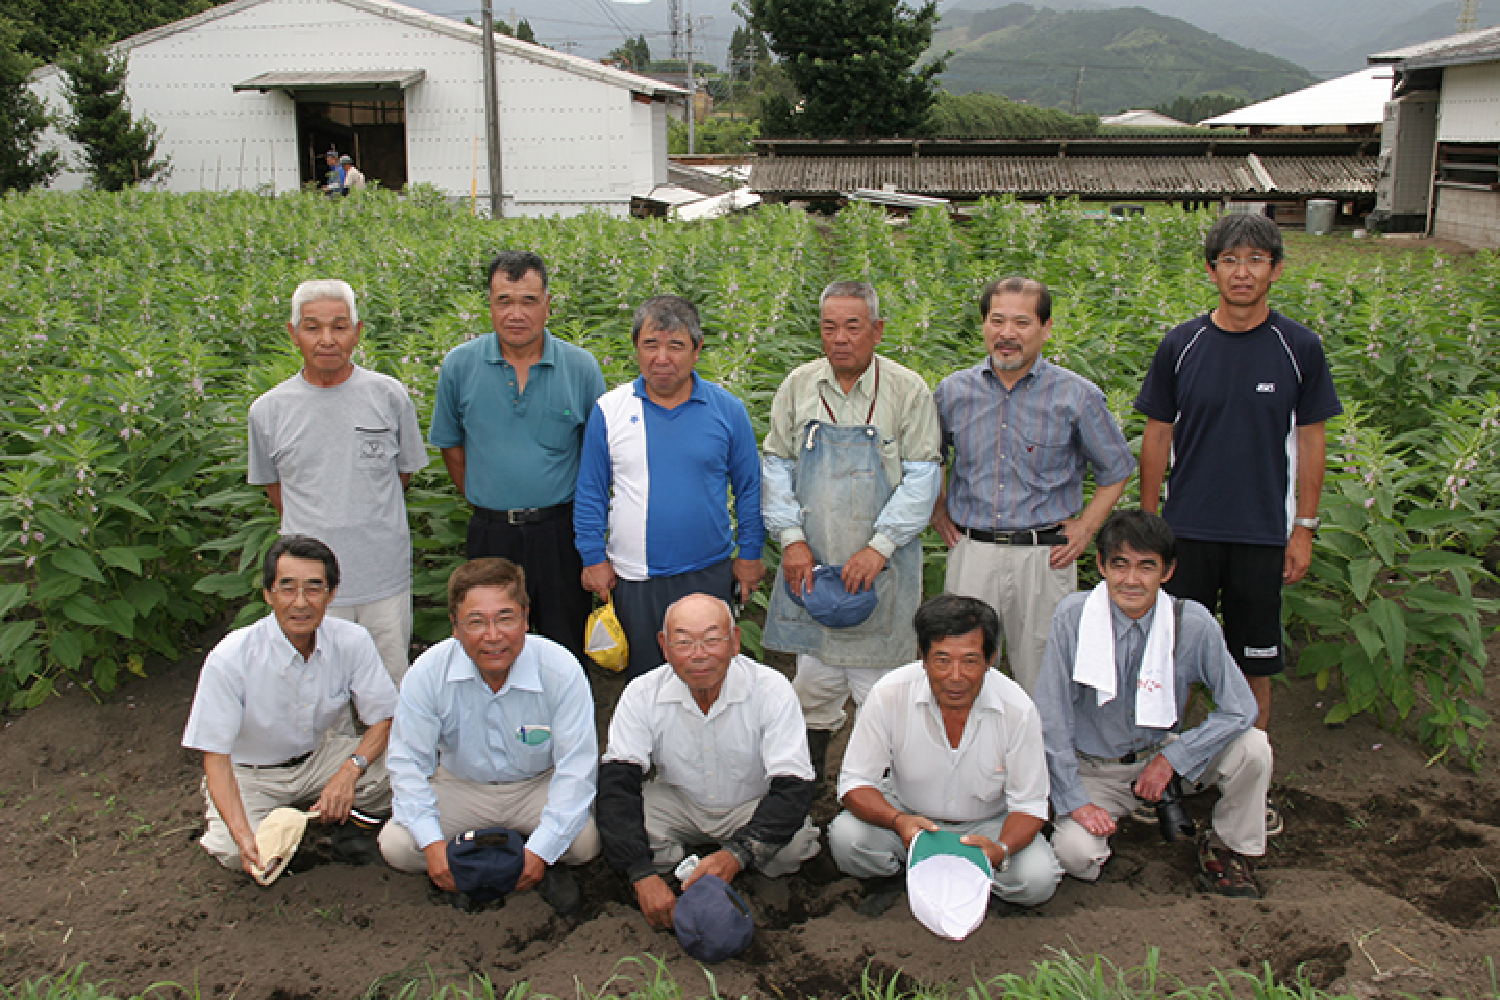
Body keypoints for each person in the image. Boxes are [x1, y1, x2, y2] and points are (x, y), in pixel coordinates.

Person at [1135, 213, 1341, 816]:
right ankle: (1164, 784)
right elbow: (1157, 436)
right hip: (1186, 534)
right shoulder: (1182, 344)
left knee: (1255, 666)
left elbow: (1311, 443)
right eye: (1229, 260)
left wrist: (1303, 529)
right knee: (1170, 664)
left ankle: (1246, 794)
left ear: (1276, 270)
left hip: (1261, 536)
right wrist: (1148, 527)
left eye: (1255, 260)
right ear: (1211, 271)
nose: (1242, 272)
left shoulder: (1298, 348)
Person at [1033, 510, 1272, 898]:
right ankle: (1106, 821)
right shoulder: (1074, 618)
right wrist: (1075, 801)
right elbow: (1052, 717)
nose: (1131, 580)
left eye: (1146, 566)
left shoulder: (1191, 623)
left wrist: (1173, 759)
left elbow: (1241, 707)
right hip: (1095, 769)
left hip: (1163, 757)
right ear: (1101, 566)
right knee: (1075, 855)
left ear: (1167, 571)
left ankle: (1226, 846)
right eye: (1120, 565)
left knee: (1253, 748)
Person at [761, 280, 942, 781]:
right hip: (812, 566)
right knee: (812, 686)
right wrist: (792, 539)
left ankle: (881, 795)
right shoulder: (799, 385)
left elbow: (923, 477)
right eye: (829, 327)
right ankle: (805, 787)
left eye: (853, 327)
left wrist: (879, 547)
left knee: (882, 694)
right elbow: (776, 464)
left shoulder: (907, 390)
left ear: (877, 331)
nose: (839, 338)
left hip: (883, 572)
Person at [932, 276, 1135, 694]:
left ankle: (1041, 740)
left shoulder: (1076, 395)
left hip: (1045, 557)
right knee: (962, 671)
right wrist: (937, 509)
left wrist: (1086, 527)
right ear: (983, 325)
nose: (1007, 333)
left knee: (1044, 679)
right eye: (997, 320)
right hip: (972, 551)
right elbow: (929, 458)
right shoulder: (953, 392)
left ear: (1046, 328)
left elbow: (1116, 469)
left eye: (1022, 323)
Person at [378, 558, 600, 914]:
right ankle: (465, 867)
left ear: (526, 618)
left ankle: (528, 859)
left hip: (536, 785)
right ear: (455, 626)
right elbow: (408, 763)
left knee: (585, 843)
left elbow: (576, 768)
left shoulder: (560, 669)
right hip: (461, 785)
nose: (493, 635)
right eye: (476, 622)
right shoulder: (428, 673)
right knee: (398, 846)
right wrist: (433, 847)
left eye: (505, 618)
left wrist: (541, 850)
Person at [828, 594, 1062, 915]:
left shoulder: (1018, 710)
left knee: (1036, 879)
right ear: (922, 657)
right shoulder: (890, 693)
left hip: (987, 826)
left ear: (991, 659)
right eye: (942, 660)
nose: (955, 676)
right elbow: (855, 782)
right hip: (908, 818)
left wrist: (1000, 849)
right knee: (847, 839)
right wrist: (898, 821)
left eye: (970, 661)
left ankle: (979, 888)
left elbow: (1030, 805)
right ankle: (899, 878)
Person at [597, 593, 820, 929]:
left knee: (794, 845)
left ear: (735, 642)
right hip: (679, 800)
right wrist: (641, 874)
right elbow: (618, 781)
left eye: (712, 640)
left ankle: (743, 867)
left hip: (750, 803)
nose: (699, 654)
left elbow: (794, 786)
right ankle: (676, 872)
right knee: (617, 829)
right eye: (683, 642)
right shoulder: (642, 693)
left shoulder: (770, 689)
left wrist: (738, 854)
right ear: (664, 646)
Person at [575, 296, 765, 680]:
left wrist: (750, 555)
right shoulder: (610, 410)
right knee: (646, 681)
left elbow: (749, 488)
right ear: (635, 347)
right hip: (634, 577)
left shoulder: (727, 410)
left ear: (697, 350)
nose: (662, 358)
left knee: (708, 673)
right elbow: (591, 490)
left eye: (676, 346)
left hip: (708, 570)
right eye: (651, 344)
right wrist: (593, 557)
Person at [248, 279, 428, 684]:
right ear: (294, 333)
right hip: (308, 583)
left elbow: (403, 474)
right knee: (317, 686)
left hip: (383, 574)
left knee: (390, 680)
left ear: (357, 332)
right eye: (312, 327)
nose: (327, 339)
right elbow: (276, 489)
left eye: (339, 326)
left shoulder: (389, 396)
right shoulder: (268, 411)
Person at [182, 535, 397, 873]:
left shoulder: (351, 641)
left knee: (410, 766)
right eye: (287, 588)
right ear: (268, 594)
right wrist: (241, 834)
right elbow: (216, 758)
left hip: (318, 758)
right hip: (250, 774)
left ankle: (352, 828)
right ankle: (275, 828)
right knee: (243, 854)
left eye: (314, 588)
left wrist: (349, 771)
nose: (301, 602)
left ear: (331, 594)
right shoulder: (231, 658)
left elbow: (383, 719)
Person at [429, 252, 606, 662]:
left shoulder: (580, 367)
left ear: (548, 305)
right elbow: (451, 448)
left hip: (560, 533)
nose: (516, 314)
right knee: (492, 642)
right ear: (489, 305)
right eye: (504, 301)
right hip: (491, 533)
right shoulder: (460, 365)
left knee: (565, 644)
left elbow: (595, 458)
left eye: (528, 301)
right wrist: (487, 496)